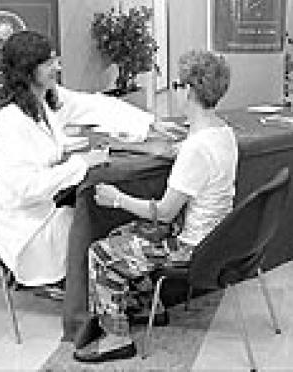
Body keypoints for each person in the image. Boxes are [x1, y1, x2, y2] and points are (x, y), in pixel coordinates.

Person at [73, 50, 237, 363]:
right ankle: (149, 306)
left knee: (102, 254)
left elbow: (164, 212)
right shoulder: (221, 132)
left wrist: (116, 198)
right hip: (217, 237)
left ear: (189, 90)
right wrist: (118, 144)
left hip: (192, 247)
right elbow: (171, 151)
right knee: (125, 234)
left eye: (177, 84)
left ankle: (116, 338)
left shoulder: (197, 148)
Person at [0, 31, 155, 289]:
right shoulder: (12, 121)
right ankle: (93, 296)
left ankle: (111, 290)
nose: (57, 67)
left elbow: (97, 106)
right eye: (48, 63)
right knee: (96, 223)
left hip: (46, 207)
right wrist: (81, 164)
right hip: (24, 226)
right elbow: (24, 189)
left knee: (101, 211)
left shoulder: (47, 100)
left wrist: (150, 123)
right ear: (27, 70)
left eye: (56, 59)